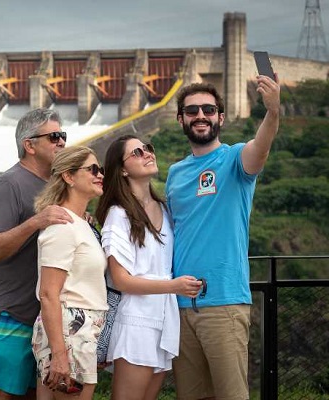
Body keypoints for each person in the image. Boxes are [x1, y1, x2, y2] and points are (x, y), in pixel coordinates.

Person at [166, 76, 280, 399]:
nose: (200, 115)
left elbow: (260, 149)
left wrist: (272, 113)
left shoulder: (235, 159)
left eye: (208, 109)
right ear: (181, 119)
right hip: (180, 306)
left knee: (231, 395)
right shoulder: (175, 173)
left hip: (224, 302)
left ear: (220, 117)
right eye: (192, 111)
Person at [95, 135, 202, 400]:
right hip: (135, 321)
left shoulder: (164, 209)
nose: (147, 154)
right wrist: (174, 286)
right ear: (122, 169)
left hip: (164, 318)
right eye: (137, 153)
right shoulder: (118, 214)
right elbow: (120, 280)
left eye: (148, 149)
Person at [0, 108, 74, 400]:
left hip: (46, 316)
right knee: (4, 395)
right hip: (12, 313)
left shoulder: (58, 185)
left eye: (63, 136)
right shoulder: (12, 182)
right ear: (29, 145)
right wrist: (37, 220)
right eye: (53, 136)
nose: (61, 142)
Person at [31, 146, 107, 400]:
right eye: (92, 169)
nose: (100, 175)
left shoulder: (78, 223)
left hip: (77, 332)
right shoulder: (63, 227)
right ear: (68, 176)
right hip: (68, 332)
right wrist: (60, 354)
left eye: (101, 170)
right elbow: (48, 293)